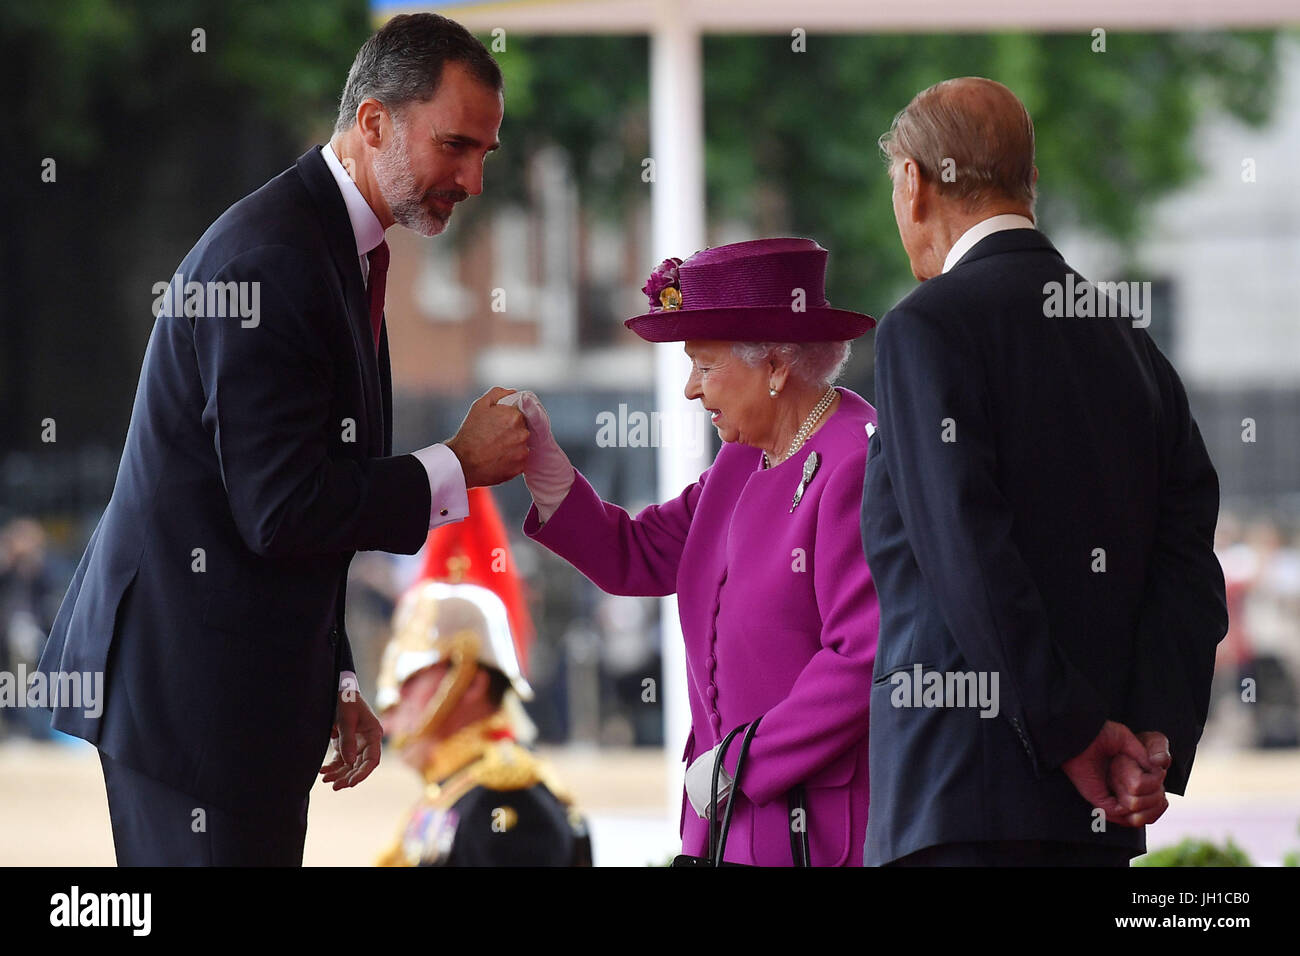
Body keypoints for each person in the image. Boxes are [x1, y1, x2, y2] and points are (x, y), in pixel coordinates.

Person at [31, 13, 529, 865]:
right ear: (373, 122)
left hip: (226, 695)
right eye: (456, 145)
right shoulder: (275, 259)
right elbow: (285, 506)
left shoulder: (334, 246)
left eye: (485, 152)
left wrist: (332, 676)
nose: (474, 179)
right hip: (191, 706)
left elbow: (299, 495)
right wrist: (457, 463)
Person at [861, 77, 1228, 866]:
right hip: (1100, 816)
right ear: (1030, 184)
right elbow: (1188, 556)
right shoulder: (1133, 347)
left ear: (917, 186)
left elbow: (967, 552)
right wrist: (1149, 733)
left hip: (959, 802)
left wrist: (1072, 732)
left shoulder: (924, 329)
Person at [515, 238, 879, 865]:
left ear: (774, 365)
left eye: (705, 366)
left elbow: (860, 657)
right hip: (722, 827)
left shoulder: (854, 459)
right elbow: (636, 554)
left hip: (812, 833)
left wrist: (745, 761)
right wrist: (550, 475)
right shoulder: (743, 457)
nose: (689, 388)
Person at [375, 487, 592, 867]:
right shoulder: (456, 789)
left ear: (471, 682)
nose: (395, 698)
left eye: (411, 679)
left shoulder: (507, 800)